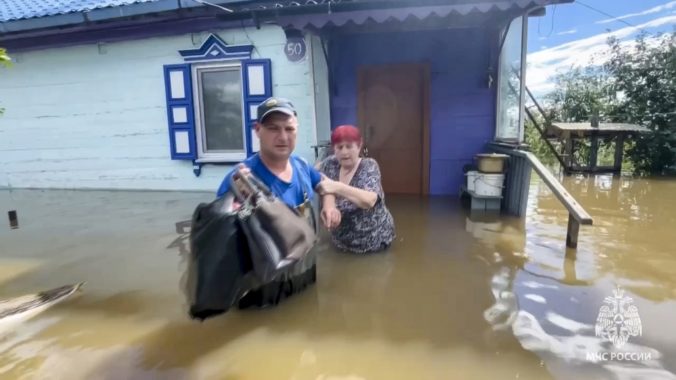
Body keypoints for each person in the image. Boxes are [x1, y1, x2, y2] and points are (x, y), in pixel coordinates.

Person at [216, 96, 341, 308]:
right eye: (273, 128)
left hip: (305, 275)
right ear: (258, 130)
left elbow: (324, 185)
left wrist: (330, 205)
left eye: (289, 129)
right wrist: (245, 207)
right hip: (264, 289)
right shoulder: (242, 179)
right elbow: (222, 238)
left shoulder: (301, 166)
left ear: (297, 131)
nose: (282, 136)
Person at [317, 125, 396, 254]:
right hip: (341, 242)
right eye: (339, 147)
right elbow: (315, 178)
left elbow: (370, 200)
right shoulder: (330, 164)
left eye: (349, 146)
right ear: (334, 149)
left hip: (374, 241)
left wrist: (338, 186)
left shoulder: (369, 166)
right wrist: (329, 206)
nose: (344, 152)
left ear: (359, 146)